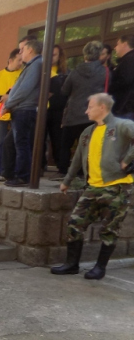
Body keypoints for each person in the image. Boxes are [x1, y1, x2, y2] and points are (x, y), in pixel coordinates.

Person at [51, 93, 134, 280]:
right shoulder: (87, 132)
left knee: (110, 228)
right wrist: (67, 181)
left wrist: (128, 160)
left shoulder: (121, 125)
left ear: (102, 108)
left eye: (90, 107)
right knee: (75, 223)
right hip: (92, 187)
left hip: (117, 187)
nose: (86, 110)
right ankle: (72, 264)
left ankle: (100, 268)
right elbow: (78, 159)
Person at [57, 41, 107, 179]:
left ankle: (63, 171)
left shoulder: (75, 71)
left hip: (73, 113)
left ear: (85, 54)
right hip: (93, 115)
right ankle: (83, 172)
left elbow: (64, 90)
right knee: (88, 145)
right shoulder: (105, 72)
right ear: (99, 55)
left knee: (66, 144)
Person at [0, 36, 43, 187]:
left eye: (23, 49)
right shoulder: (32, 65)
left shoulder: (36, 65)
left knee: (21, 144)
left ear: (30, 50)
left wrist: (8, 104)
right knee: (10, 143)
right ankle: (10, 173)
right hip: (21, 109)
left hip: (25, 110)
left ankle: (23, 176)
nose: (20, 52)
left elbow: (24, 89)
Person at [0, 49, 23, 179]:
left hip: (17, 113)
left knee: (16, 142)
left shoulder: (22, 74)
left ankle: (12, 170)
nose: (21, 63)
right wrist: (0, 98)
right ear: (10, 60)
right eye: (19, 60)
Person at [46, 45, 69, 173]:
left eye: (54, 55)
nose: (51, 57)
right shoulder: (41, 69)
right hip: (43, 109)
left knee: (57, 138)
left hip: (58, 110)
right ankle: (39, 166)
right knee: (40, 138)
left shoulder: (65, 73)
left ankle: (60, 166)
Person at [110, 34, 134, 119]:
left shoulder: (129, 60)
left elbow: (125, 80)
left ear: (124, 44)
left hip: (124, 107)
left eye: (117, 44)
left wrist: (110, 87)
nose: (115, 48)